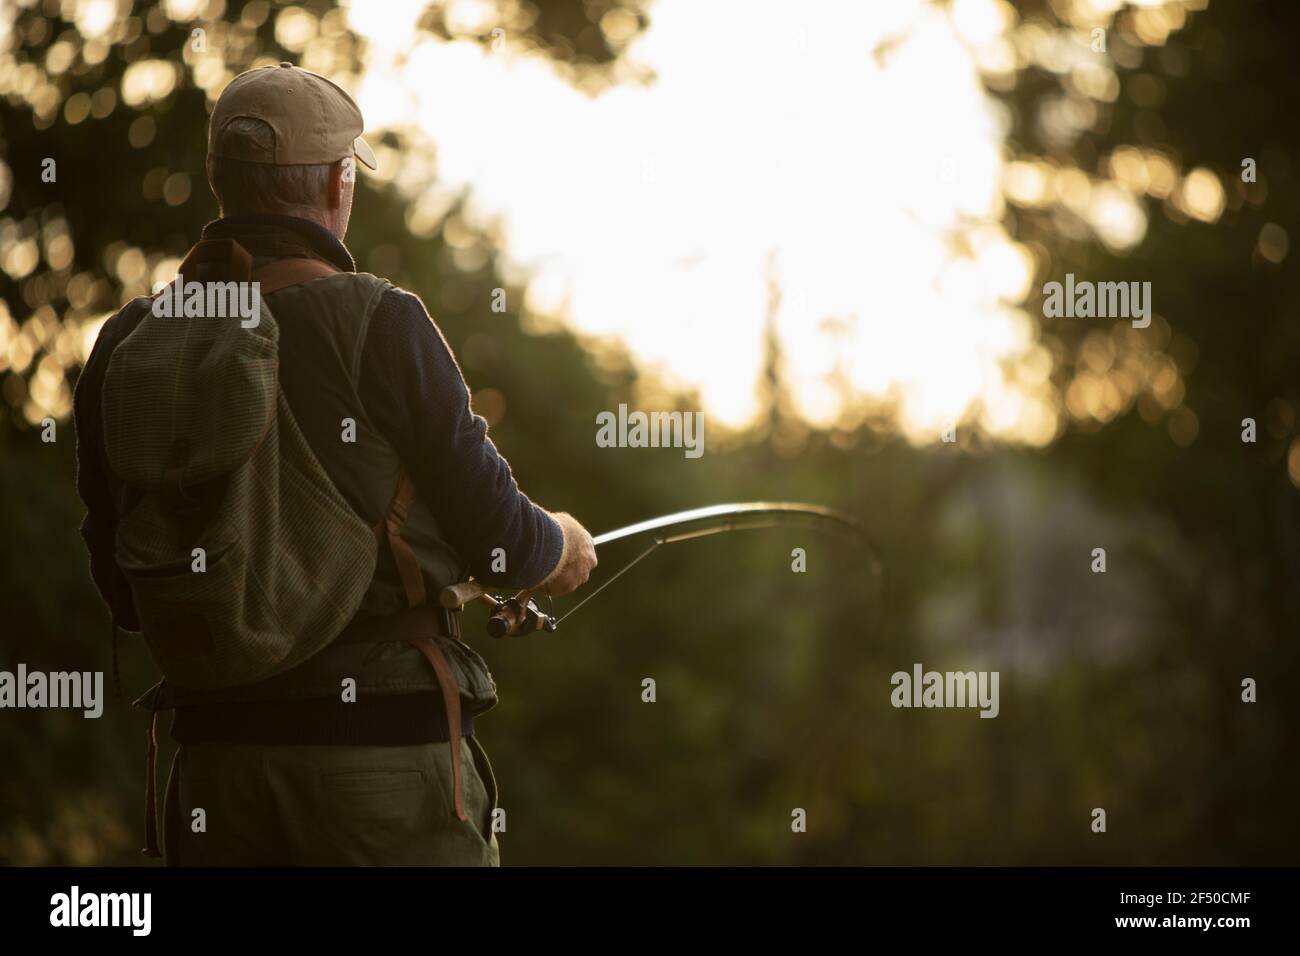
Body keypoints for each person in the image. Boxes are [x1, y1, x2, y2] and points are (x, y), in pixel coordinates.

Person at [73, 62, 597, 866]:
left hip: (215, 773)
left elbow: (124, 588)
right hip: (382, 771)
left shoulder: (130, 341)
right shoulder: (383, 322)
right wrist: (559, 543)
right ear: (335, 186)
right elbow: (501, 542)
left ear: (221, 183)